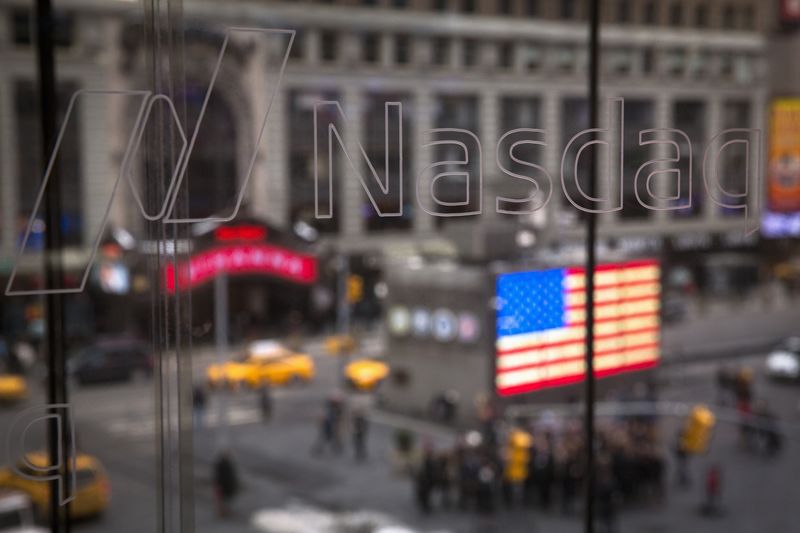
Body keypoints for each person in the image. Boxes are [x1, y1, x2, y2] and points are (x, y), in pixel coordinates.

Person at [213, 450, 239, 517]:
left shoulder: (228, 464)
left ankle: (225, 512)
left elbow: (232, 475)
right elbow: (218, 475)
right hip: (222, 485)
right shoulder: (221, 464)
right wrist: (217, 484)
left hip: (228, 485)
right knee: (222, 500)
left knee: (226, 499)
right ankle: (222, 513)